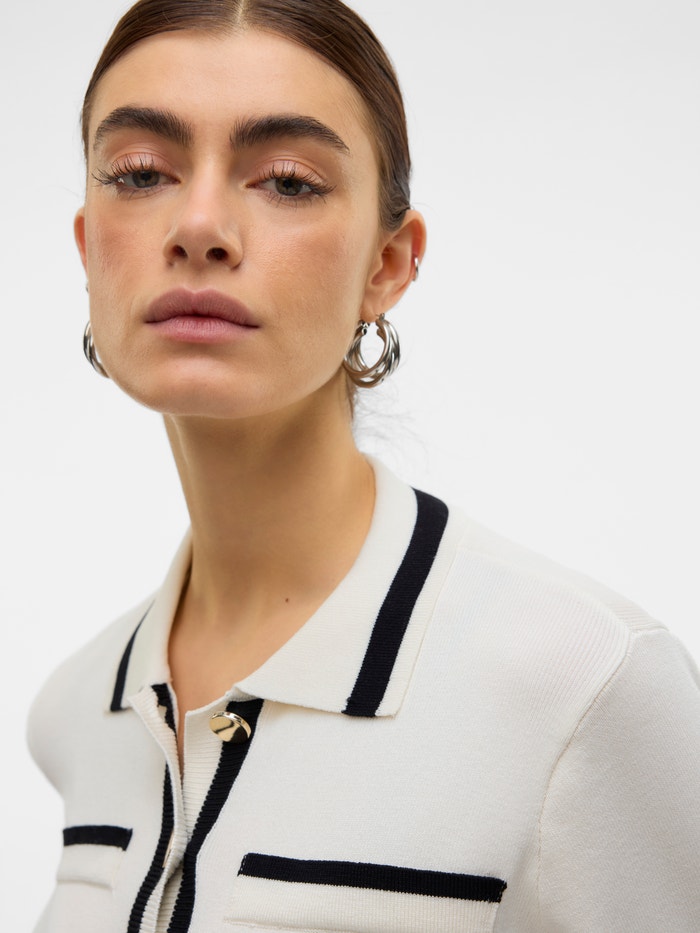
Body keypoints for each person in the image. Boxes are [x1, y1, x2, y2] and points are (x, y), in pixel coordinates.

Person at [28, 1, 700, 931]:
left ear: (388, 264)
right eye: (141, 172)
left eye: (288, 181)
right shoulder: (76, 713)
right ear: (88, 247)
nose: (199, 225)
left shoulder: (582, 684)